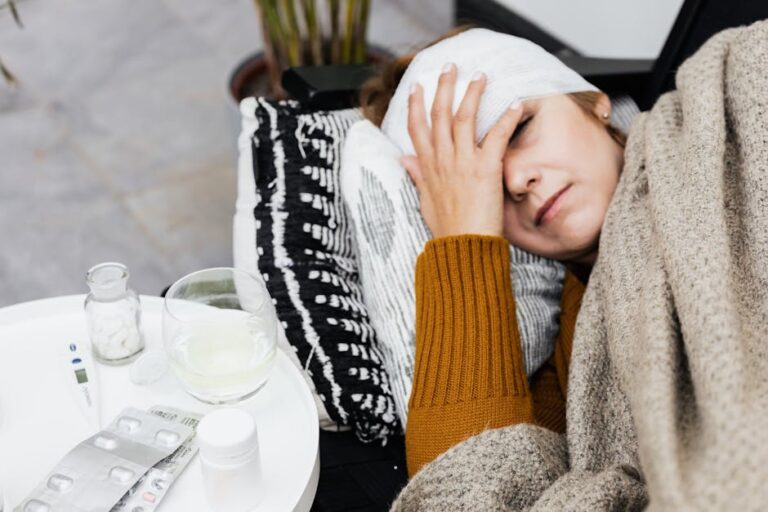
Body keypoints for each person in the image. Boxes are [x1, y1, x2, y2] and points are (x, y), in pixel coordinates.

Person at [359, 26, 628, 476]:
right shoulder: (565, 371)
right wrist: (463, 242)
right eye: (478, 186)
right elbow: (463, 494)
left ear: (593, 101)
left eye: (519, 128)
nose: (516, 181)